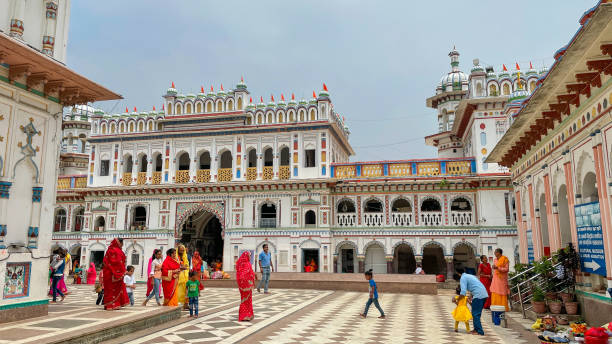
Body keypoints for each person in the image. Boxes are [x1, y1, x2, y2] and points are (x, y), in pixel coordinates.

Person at [456, 267, 488, 335]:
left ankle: (479, 331)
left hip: (479, 295)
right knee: (476, 313)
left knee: (475, 314)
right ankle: (476, 329)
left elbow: (463, 292)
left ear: (458, 274)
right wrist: (471, 296)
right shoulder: (469, 275)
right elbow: (475, 286)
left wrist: (457, 299)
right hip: (483, 294)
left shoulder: (463, 278)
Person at [102, 238, 130, 310]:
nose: (122, 246)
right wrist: (123, 271)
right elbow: (118, 262)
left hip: (107, 273)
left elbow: (105, 262)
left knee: (109, 289)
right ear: (119, 243)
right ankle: (114, 305)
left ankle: (108, 305)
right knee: (115, 289)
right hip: (114, 274)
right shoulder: (117, 251)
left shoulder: (109, 250)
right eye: (122, 244)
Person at [236, 251, 256, 321]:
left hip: (242, 285)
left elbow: (239, 275)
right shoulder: (247, 264)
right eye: (249, 256)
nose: (250, 257)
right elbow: (248, 274)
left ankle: (245, 315)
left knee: (244, 300)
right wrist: (253, 276)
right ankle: (246, 315)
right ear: (247, 256)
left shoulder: (240, 264)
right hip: (247, 285)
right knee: (247, 300)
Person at [176, 244, 190, 310]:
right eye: (180, 250)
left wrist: (185, 267)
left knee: (186, 290)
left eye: (183, 250)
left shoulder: (185, 256)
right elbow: (175, 265)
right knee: (179, 291)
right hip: (179, 276)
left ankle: (186, 304)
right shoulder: (176, 257)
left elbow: (187, 265)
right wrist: (181, 267)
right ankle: (178, 303)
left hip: (185, 276)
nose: (181, 251)